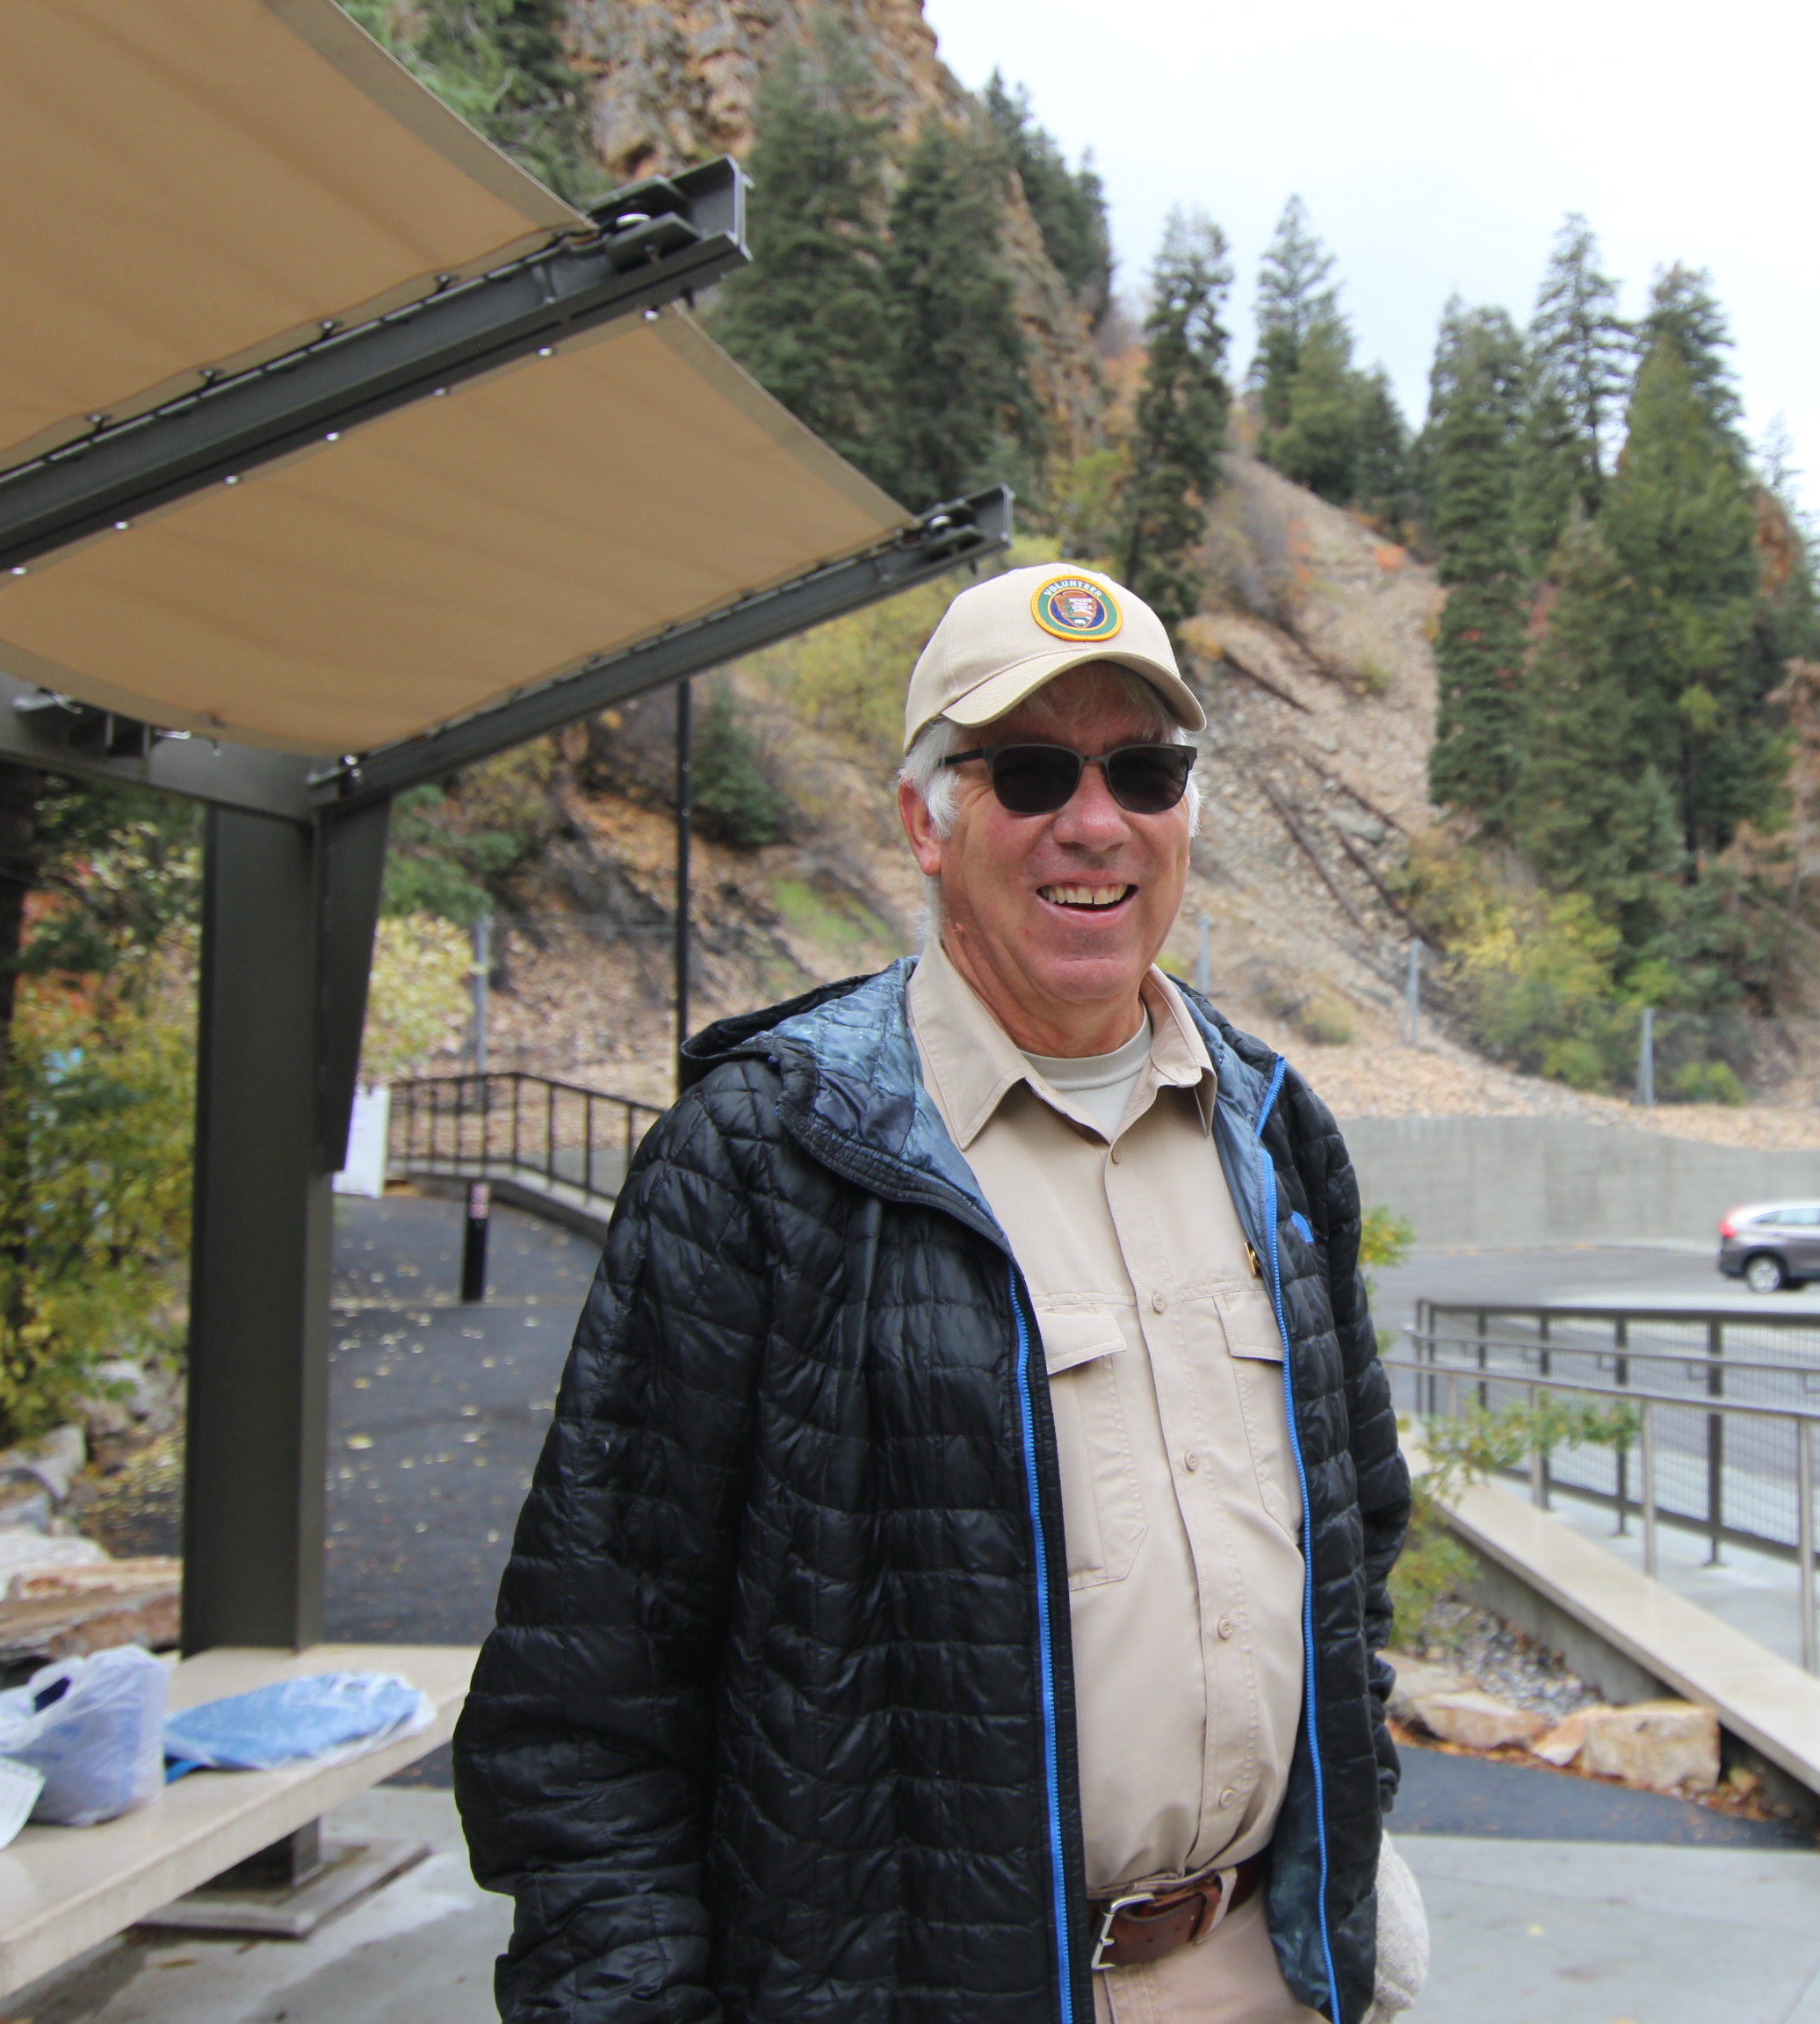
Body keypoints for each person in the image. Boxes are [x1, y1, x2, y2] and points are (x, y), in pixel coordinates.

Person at [452, 563, 1414, 2023]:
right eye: (1028, 771)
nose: (1094, 823)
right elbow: (588, 1699)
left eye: (1143, 770)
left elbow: (1356, 1550)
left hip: (1260, 1973)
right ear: (924, 818)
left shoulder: (1277, 1135)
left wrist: (1345, 1876)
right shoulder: (767, 1156)